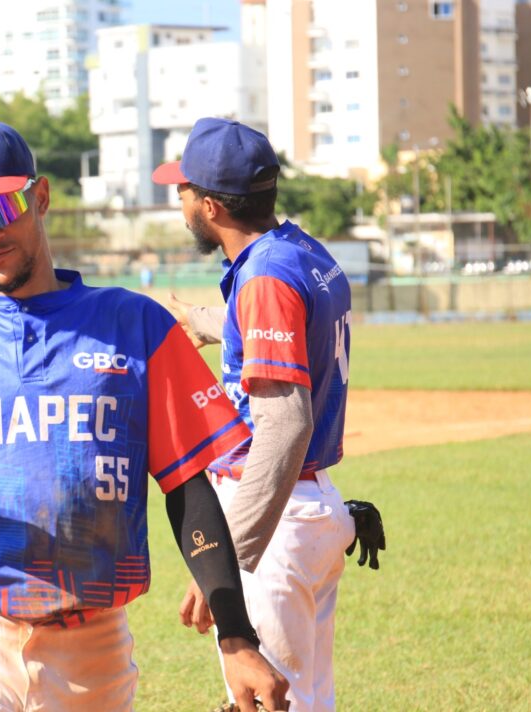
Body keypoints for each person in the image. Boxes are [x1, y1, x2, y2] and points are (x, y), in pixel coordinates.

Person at [0, 120, 289, 712]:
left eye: (0, 206)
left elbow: (186, 487)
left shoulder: (134, 324)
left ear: (39, 197)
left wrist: (236, 635)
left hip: (92, 647)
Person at [152, 117, 357, 711]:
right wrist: (198, 320)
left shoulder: (265, 276)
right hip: (311, 508)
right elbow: (278, 322)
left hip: (275, 522)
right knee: (309, 701)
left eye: (184, 191)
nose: (182, 200)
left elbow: (286, 426)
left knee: (268, 702)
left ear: (211, 206)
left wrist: (225, 558)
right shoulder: (300, 250)